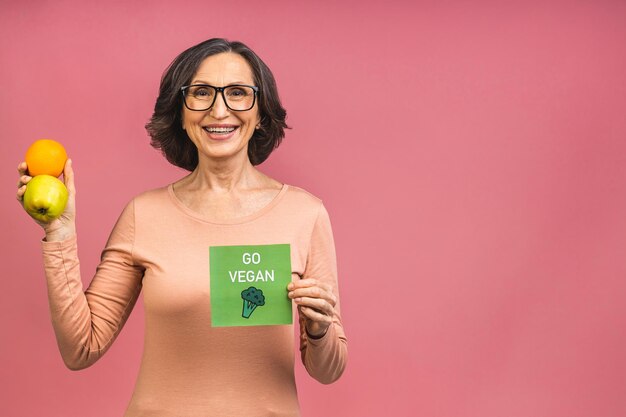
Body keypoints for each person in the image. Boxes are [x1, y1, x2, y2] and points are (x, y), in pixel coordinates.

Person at [16, 38, 347, 416]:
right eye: (201, 93)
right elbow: (81, 348)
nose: (219, 110)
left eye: (238, 93)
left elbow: (329, 370)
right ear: (180, 111)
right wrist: (59, 234)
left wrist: (319, 328)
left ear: (261, 113)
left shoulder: (304, 214)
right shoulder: (144, 214)